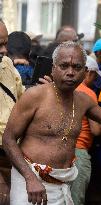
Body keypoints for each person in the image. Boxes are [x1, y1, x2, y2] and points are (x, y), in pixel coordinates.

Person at [2, 41, 101, 205]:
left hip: (62, 184)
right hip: (29, 184)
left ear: (85, 72)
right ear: (53, 68)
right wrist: (30, 178)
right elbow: (8, 139)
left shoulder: (84, 101)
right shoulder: (35, 96)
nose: (70, 72)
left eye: (77, 67)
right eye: (64, 66)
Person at [71, 55, 101, 205]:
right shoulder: (88, 93)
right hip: (79, 153)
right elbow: (96, 130)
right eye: (95, 76)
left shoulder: (61, 87)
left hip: (59, 151)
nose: (95, 80)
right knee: (76, 199)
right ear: (88, 72)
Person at [0, 21, 25, 204]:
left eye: (5, 43)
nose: (4, 50)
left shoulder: (7, 64)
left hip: (14, 156)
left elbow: (21, 98)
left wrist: (43, 92)